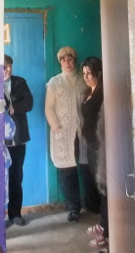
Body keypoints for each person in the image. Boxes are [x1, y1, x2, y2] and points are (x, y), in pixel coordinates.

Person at [45, 46, 88, 223]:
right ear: (60, 63)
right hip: (63, 133)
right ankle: (74, 208)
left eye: (70, 59)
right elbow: (49, 108)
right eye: (63, 60)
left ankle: (93, 203)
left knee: (87, 167)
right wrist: (57, 127)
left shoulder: (84, 79)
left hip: (83, 132)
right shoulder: (54, 82)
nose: (67, 63)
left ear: (75, 60)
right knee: (67, 171)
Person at [80, 56, 109, 249]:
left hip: (101, 145)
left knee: (105, 187)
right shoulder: (88, 92)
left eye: (89, 73)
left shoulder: (103, 92)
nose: (86, 77)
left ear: (98, 73)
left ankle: (106, 232)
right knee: (100, 187)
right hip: (91, 144)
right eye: (84, 73)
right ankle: (104, 224)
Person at [4, 54, 34, 227]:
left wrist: (14, 108)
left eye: (10, 66)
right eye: (4, 67)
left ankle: (15, 213)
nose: (8, 70)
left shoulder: (19, 82)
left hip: (17, 139)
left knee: (16, 176)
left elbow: (29, 103)